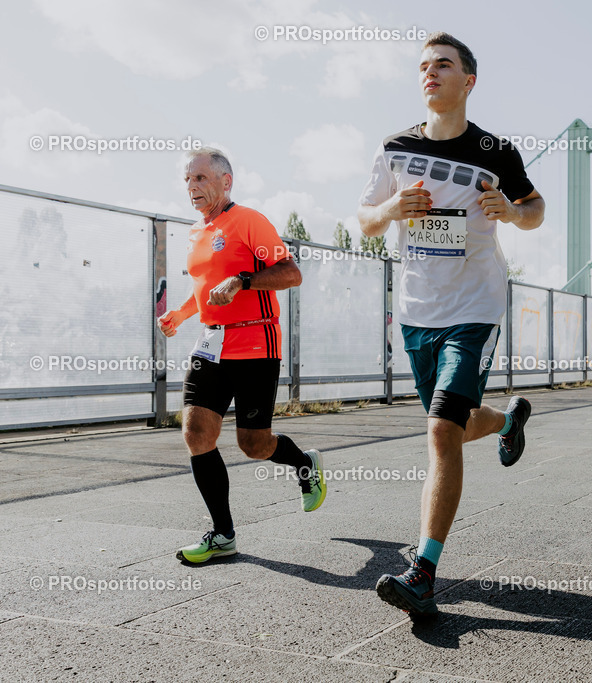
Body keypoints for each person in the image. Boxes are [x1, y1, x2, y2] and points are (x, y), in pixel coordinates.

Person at [357, 32, 545, 618]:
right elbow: (364, 220)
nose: (430, 73)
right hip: (416, 313)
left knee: (441, 431)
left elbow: (536, 209)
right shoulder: (394, 147)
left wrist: (511, 212)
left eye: (443, 64)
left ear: (468, 81)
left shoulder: (495, 151)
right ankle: (507, 420)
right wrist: (391, 210)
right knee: (454, 427)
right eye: (423, 66)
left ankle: (423, 570)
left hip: (475, 307)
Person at [157, 147, 325, 565]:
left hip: (255, 344)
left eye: (199, 178)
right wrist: (181, 312)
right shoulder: (197, 232)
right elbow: (207, 290)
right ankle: (223, 534)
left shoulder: (249, 221)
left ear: (225, 181)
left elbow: (291, 273)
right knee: (196, 434)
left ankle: (304, 464)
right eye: (187, 181)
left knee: (253, 444)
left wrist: (244, 280)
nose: (192, 187)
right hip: (210, 344)